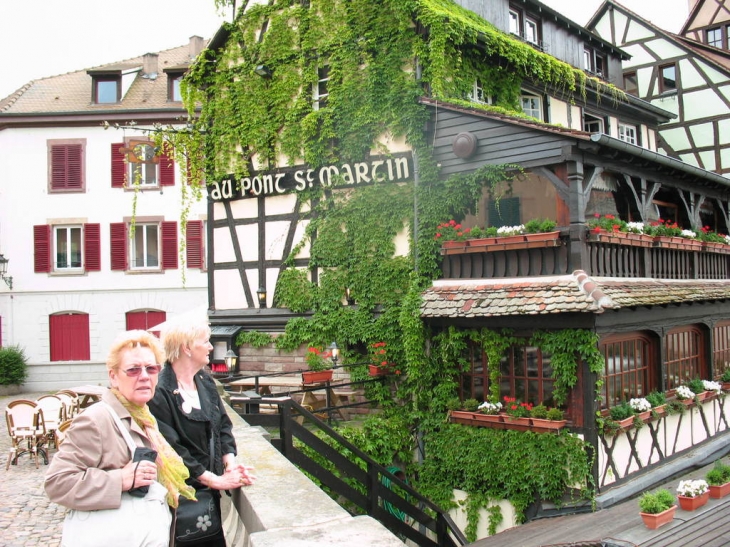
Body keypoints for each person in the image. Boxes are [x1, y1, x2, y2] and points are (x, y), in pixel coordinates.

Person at [45, 330, 196, 547]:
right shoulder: (96, 420)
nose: (144, 376)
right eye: (133, 370)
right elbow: (56, 483)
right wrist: (120, 480)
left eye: (151, 368)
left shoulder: (145, 416)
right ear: (114, 377)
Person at [149, 318, 255, 547]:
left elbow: (223, 425)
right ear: (186, 348)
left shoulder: (205, 381)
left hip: (209, 495)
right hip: (181, 500)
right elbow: (172, 450)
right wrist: (214, 480)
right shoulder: (160, 393)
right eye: (205, 341)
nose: (210, 346)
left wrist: (231, 463)